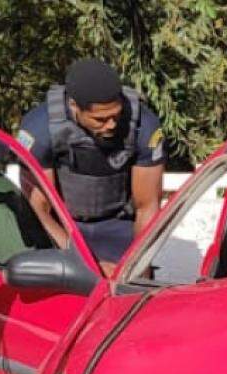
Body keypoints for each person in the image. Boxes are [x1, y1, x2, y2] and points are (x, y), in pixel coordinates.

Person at [17, 59, 165, 269]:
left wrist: (137, 264)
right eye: (100, 119)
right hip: (64, 228)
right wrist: (82, 262)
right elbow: (37, 209)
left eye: (116, 115)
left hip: (119, 227)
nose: (111, 125)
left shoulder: (144, 126)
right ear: (74, 106)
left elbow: (148, 206)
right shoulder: (39, 128)